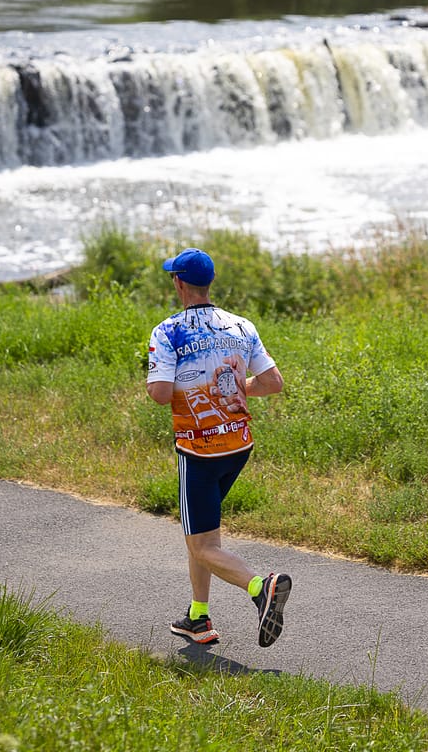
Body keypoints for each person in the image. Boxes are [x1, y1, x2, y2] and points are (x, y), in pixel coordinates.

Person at [146, 246, 291, 648]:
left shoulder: (168, 332)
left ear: (178, 282)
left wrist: (192, 388)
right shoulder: (241, 326)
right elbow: (272, 383)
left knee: (202, 544)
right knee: (204, 534)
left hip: (199, 452)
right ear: (209, 283)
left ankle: (262, 587)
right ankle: (198, 618)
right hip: (238, 447)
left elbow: (159, 394)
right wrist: (227, 390)